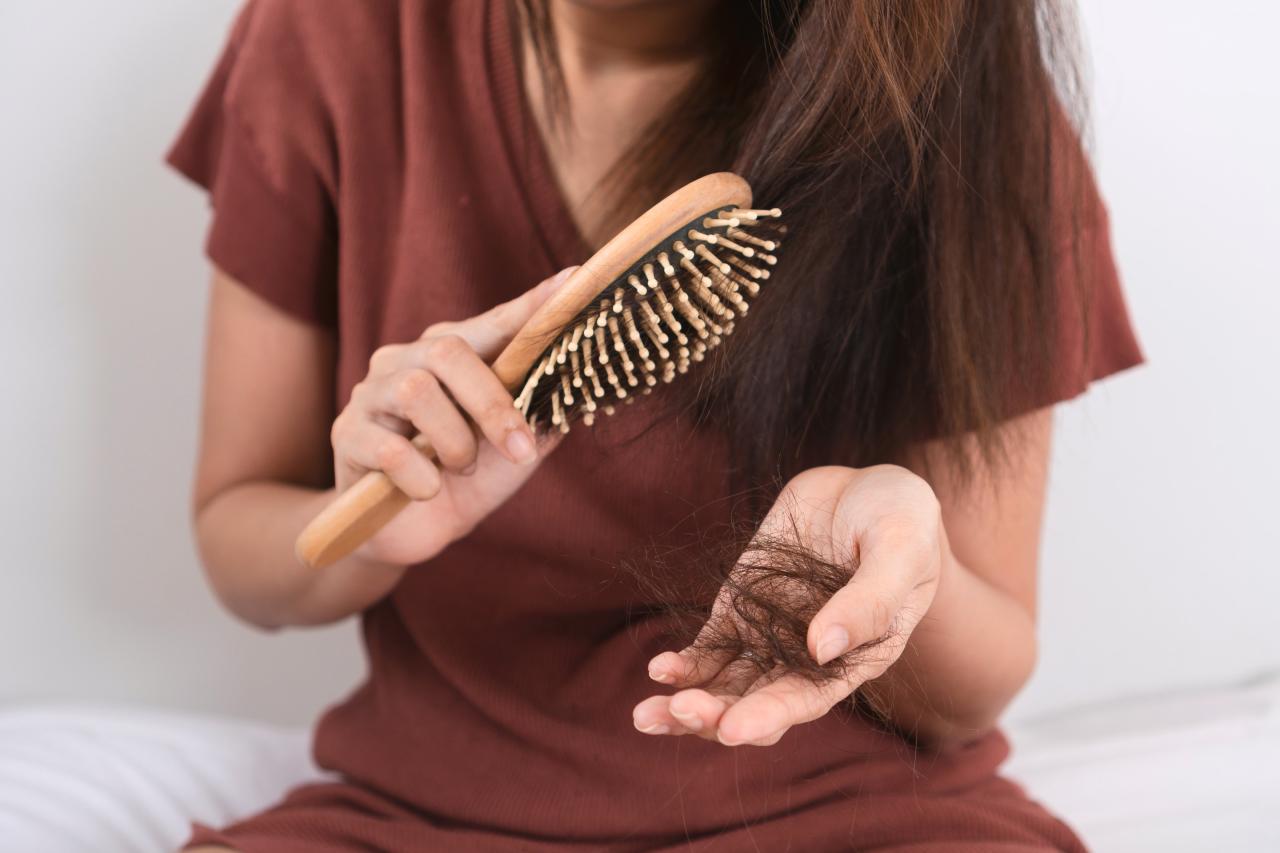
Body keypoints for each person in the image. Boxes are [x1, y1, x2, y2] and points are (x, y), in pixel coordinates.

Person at [170, 0, 1142, 849]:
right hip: (423, 813)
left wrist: (893, 553)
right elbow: (237, 539)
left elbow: (977, 684)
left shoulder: (950, 101)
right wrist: (375, 517)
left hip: (849, 814)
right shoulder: (329, 36)